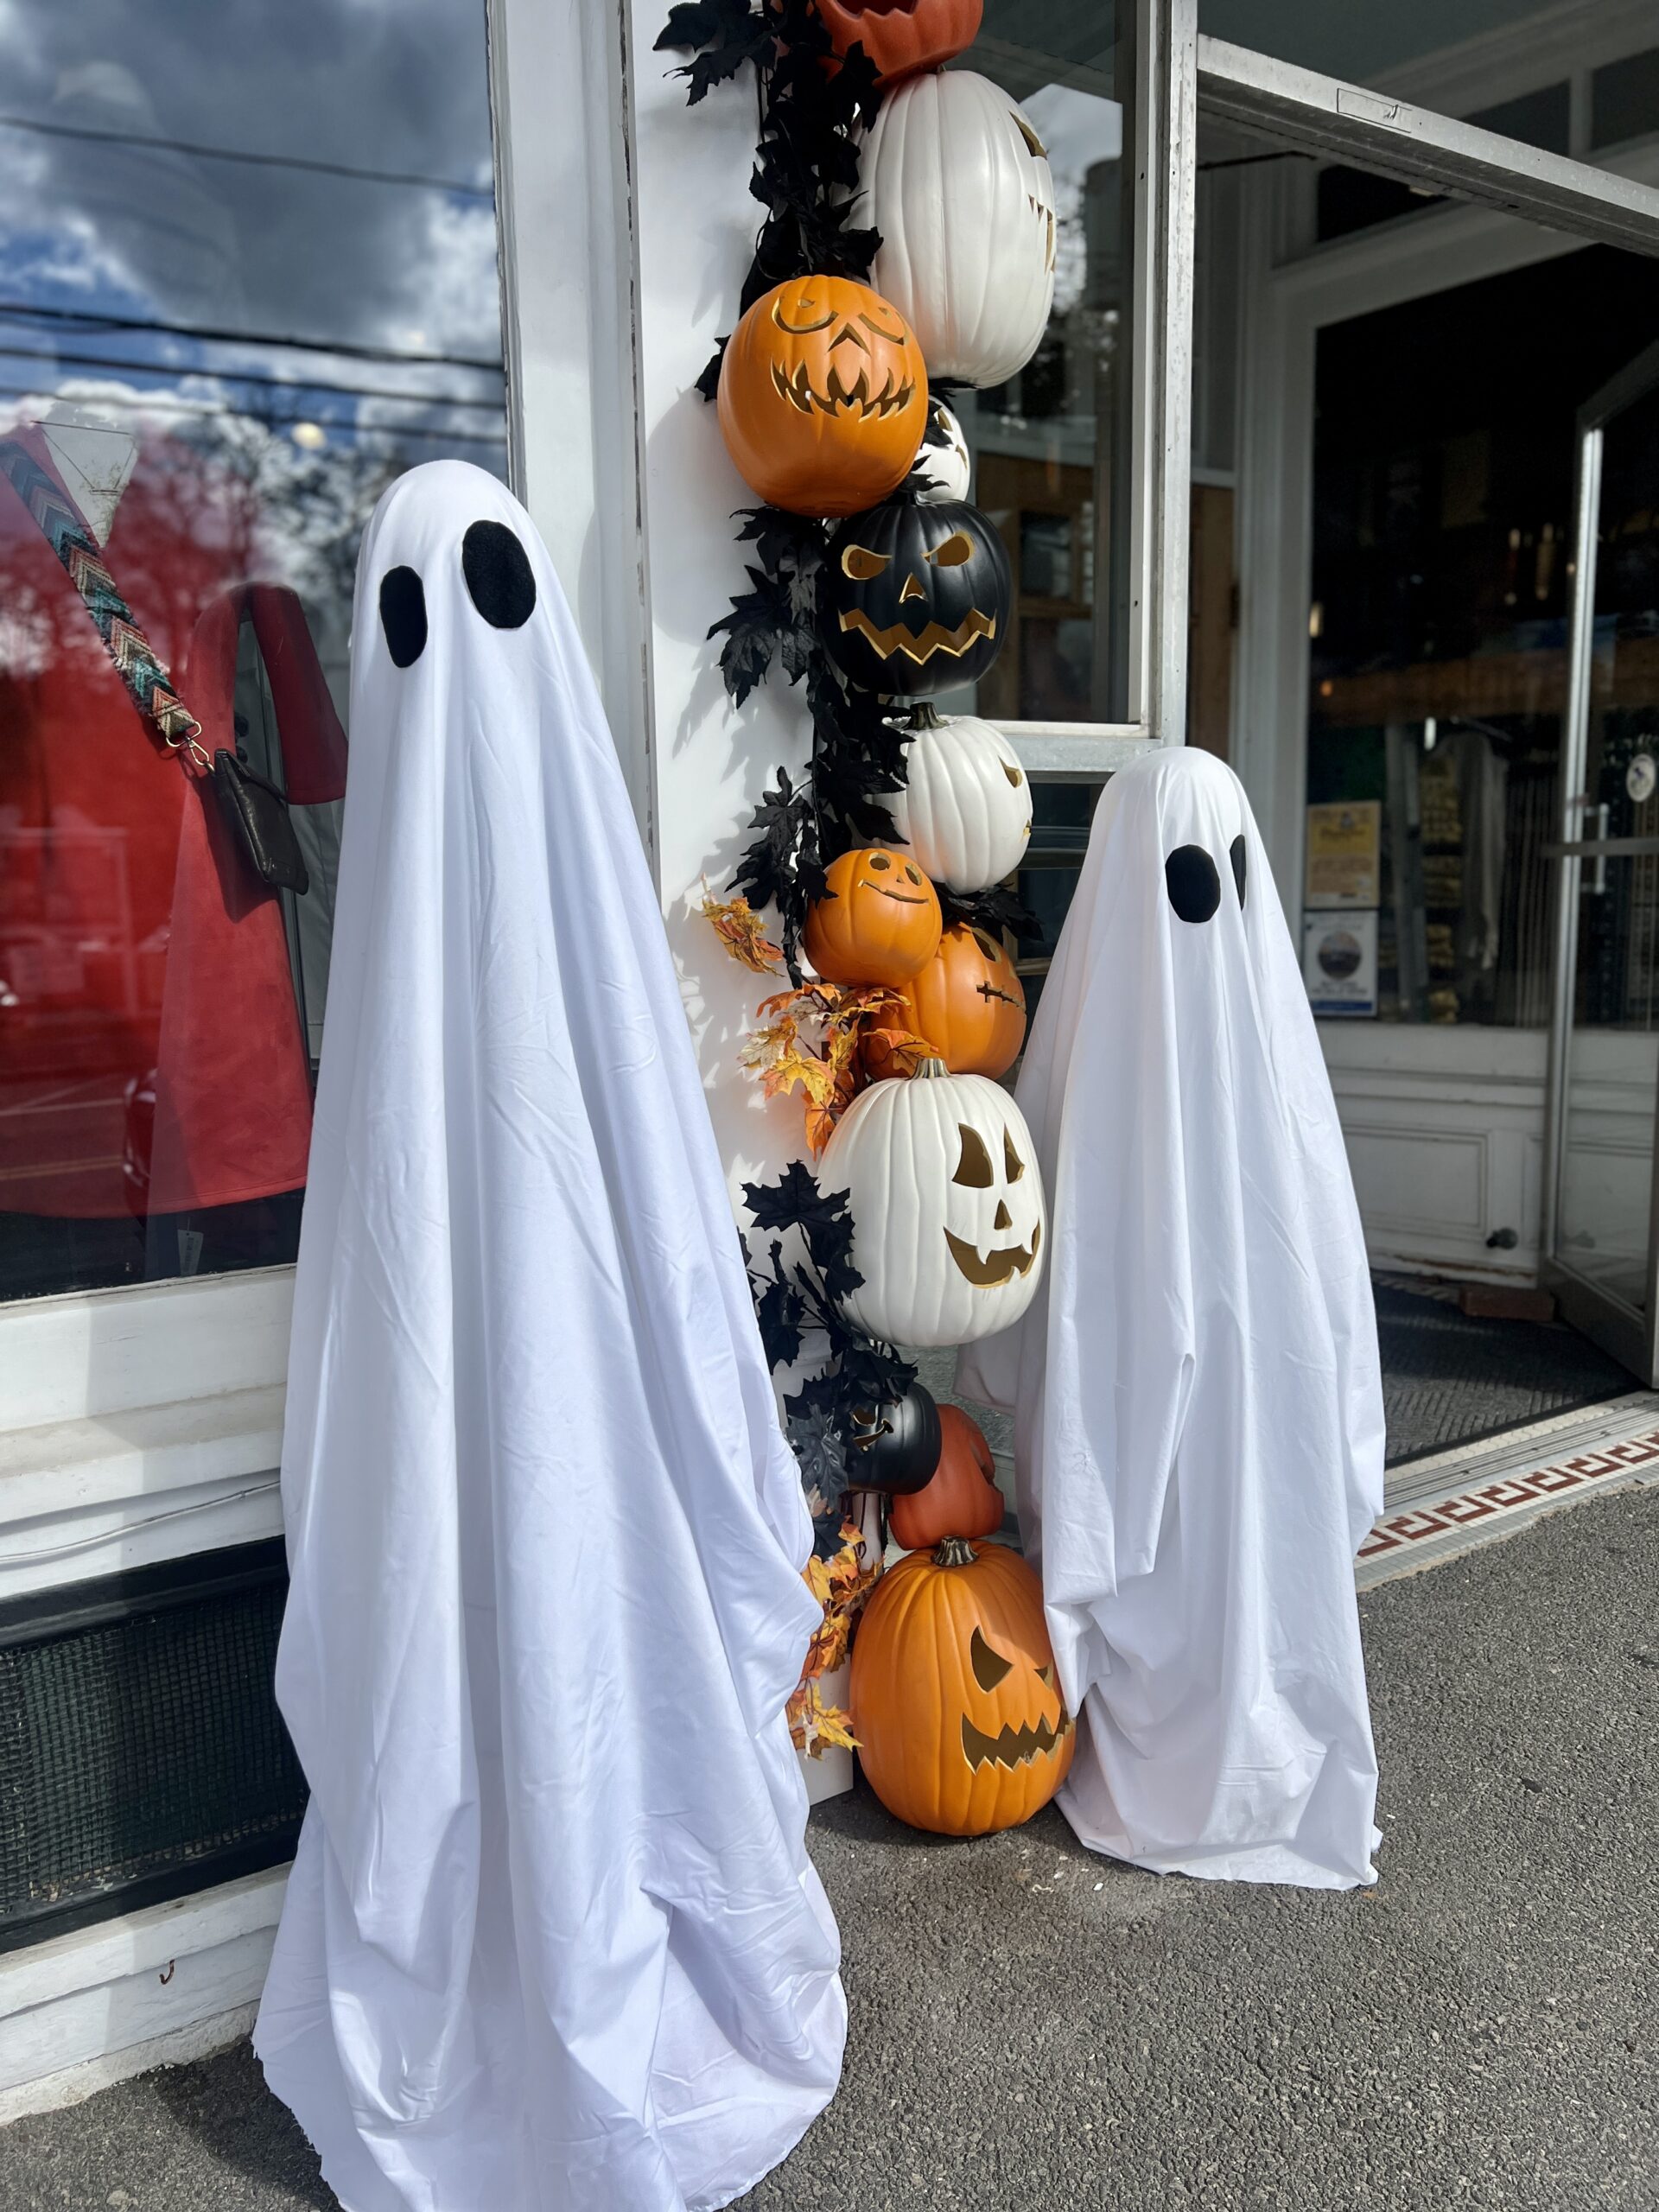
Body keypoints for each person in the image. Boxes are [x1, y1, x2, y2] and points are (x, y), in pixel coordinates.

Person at [255, 460, 844, 2209]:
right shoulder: (390, 975)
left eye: (494, 601)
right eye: (417, 626)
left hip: (611, 1451)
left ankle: (615, 1964)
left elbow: (657, 1221)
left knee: (602, 1644)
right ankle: (512, 1984)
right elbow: (386, 1286)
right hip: (474, 1462)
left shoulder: (580, 902)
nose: (462, 665)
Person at [958, 746, 1383, 1888]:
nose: (1202, 907)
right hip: (1259, 1386)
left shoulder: (1114, 1038)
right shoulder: (1253, 1055)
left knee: (1223, 1526)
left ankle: (1202, 1754)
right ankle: (1248, 1755)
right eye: (1183, 877)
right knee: (1238, 1537)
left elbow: (1027, 1290)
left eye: (1220, 875)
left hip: (1249, 1388)